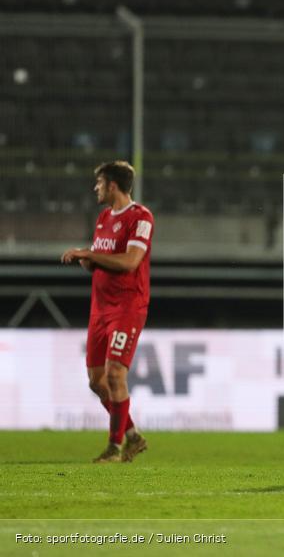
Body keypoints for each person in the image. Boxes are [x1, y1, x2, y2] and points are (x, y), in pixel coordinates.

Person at [61, 161, 154, 463]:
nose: (96, 188)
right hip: (99, 308)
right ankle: (133, 436)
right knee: (96, 381)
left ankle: (114, 449)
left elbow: (129, 262)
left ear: (113, 185)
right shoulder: (103, 218)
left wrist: (89, 254)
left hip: (128, 306)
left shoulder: (141, 217)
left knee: (116, 374)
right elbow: (102, 257)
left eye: (99, 183)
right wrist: (87, 260)